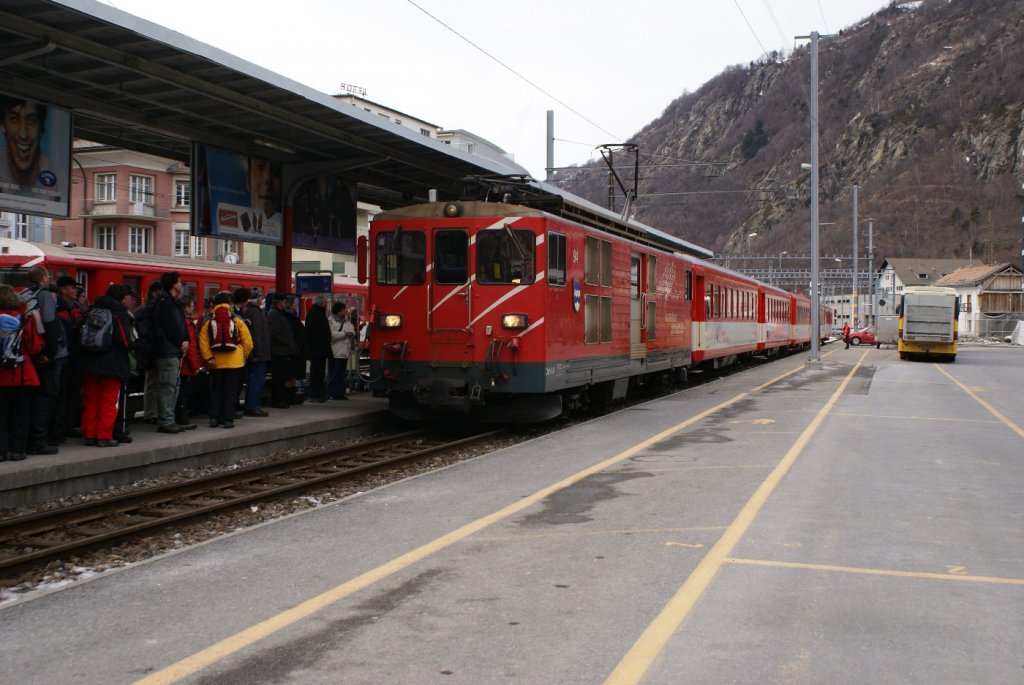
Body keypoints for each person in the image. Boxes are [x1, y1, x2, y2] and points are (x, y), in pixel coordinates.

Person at [78, 284, 133, 448]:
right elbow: (124, 341)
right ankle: (103, 436)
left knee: (90, 399)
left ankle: (89, 434)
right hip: (111, 364)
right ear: (121, 298)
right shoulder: (119, 314)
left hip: (89, 361)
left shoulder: (92, 309)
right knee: (108, 401)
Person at [0, 284, 44, 461]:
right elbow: (34, 347)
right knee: (21, 414)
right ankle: (17, 450)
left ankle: (1, 450)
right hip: (22, 374)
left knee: (1, 415)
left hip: (1, 374)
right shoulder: (24, 317)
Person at [23, 265, 62, 455]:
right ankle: (39, 440)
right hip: (43, 354)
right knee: (44, 397)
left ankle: (25, 438)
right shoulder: (44, 295)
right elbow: (50, 322)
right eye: (47, 276)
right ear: (42, 278)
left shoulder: (23, 293)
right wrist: (51, 351)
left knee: (29, 398)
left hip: (28, 353)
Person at [198, 292, 253, 429]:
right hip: (235, 363)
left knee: (216, 390)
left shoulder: (209, 322)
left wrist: (209, 358)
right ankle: (228, 419)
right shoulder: (236, 320)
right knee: (231, 391)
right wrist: (243, 356)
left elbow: (203, 342)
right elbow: (248, 342)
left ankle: (214, 418)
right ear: (229, 305)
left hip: (216, 363)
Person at [150, 271, 189, 434]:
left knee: (173, 385)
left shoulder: (171, 302)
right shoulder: (166, 302)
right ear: (173, 284)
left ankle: (169, 418)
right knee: (168, 385)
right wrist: (182, 341)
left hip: (173, 349)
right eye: (179, 282)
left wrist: (185, 340)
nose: (181, 284)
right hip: (168, 349)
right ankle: (166, 420)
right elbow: (170, 326)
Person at [54, 275, 86, 439]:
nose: (75, 291)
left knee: (73, 392)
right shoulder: (56, 307)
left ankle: (70, 424)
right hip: (62, 356)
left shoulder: (77, 308)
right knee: (60, 393)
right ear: (64, 289)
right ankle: (58, 428)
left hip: (76, 356)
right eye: (72, 287)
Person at [0, 96, 53, 192]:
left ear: (41, 130)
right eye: (14, 119)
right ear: (3, 126)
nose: (23, 135)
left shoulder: (59, 179)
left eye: (31, 121)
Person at [266, 294, 300, 409]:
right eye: (284, 301)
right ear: (279, 302)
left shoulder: (278, 314)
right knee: (279, 377)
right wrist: (287, 343)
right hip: (279, 351)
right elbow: (274, 333)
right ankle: (277, 399)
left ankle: (282, 398)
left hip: (283, 351)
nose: (286, 303)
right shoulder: (274, 314)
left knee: (282, 376)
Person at [242, 289, 271, 417]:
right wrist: (258, 353)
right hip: (258, 354)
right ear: (258, 299)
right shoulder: (256, 312)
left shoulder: (247, 310)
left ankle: (251, 405)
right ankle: (253, 406)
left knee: (251, 380)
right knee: (256, 380)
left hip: (251, 353)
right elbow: (257, 334)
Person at [174, 295, 200, 430]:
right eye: (191, 306)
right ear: (185, 307)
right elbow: (190, 347)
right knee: (183, 393)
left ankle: (179, 416)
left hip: (181, 363)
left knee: (179, 392)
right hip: (185, 365)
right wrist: (195, 366)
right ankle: (182, 419)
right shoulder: (187, 323)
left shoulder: (179, 321)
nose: (194, 308)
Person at [304, 295, 332, 403]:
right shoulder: (315, 314)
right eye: (325, 302)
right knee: (316, 372)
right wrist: (322, 344)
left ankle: (318, 393)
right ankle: (315, 394)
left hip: (320, 349)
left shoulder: (318, 313)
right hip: (317, 349)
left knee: (319, 372)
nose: (326, 304)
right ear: (320, 303)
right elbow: (312, 333)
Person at [327, 303, 353, 400]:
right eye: (344, 309)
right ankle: (331, 393)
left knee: (341, 374)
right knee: (334, 373)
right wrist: (345, 334)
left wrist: (351, 333)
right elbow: (332, 335)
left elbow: (352, 330)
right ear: (338, 311)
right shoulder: (330, 321)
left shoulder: (346, 321)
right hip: (335, 351)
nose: (346, 311)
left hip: (344, 351)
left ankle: (340, 393)